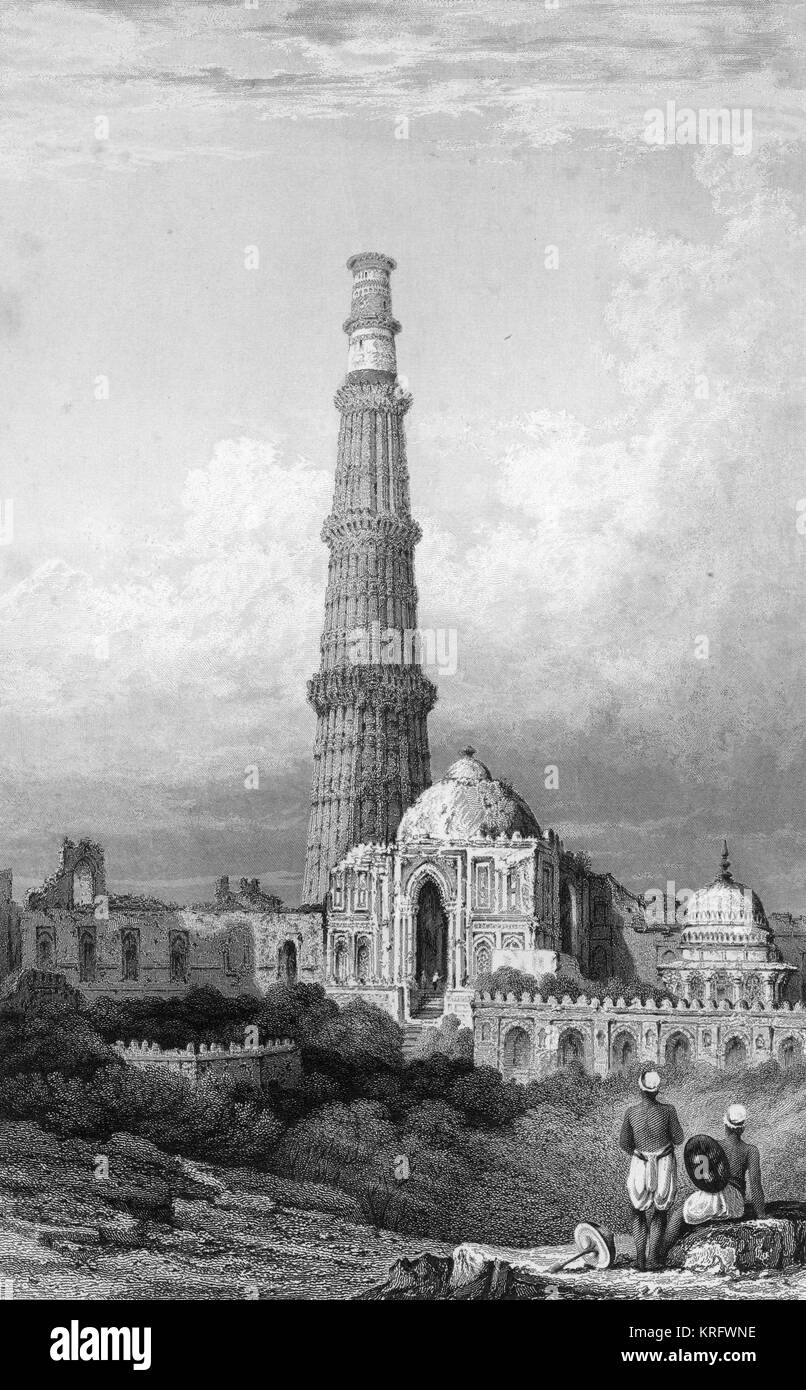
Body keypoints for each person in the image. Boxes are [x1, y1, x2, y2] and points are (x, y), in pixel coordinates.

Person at [663, 1103, 766, 1256]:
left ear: (725, 1125)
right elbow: (756, 1185)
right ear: (743, 1128)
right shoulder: (751, 1150)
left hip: (712, 1195)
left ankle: (661, 1254)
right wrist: (762, 1215)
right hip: (734, 1200)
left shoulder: (714, 1146)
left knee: (679, 1214)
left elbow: (702, 1176)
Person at [619, 1065, 684, 1272]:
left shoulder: (631, 1112)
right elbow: (679, 1138)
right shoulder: (668, 1110)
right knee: (660, 1211)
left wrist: (641, 1154)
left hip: (640, 1163)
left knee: (637, 1211)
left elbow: (625, 1143)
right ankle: (653, 1259)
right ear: (657, 1090)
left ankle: (640, 1260)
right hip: (664, 1163)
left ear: (640, 1089)